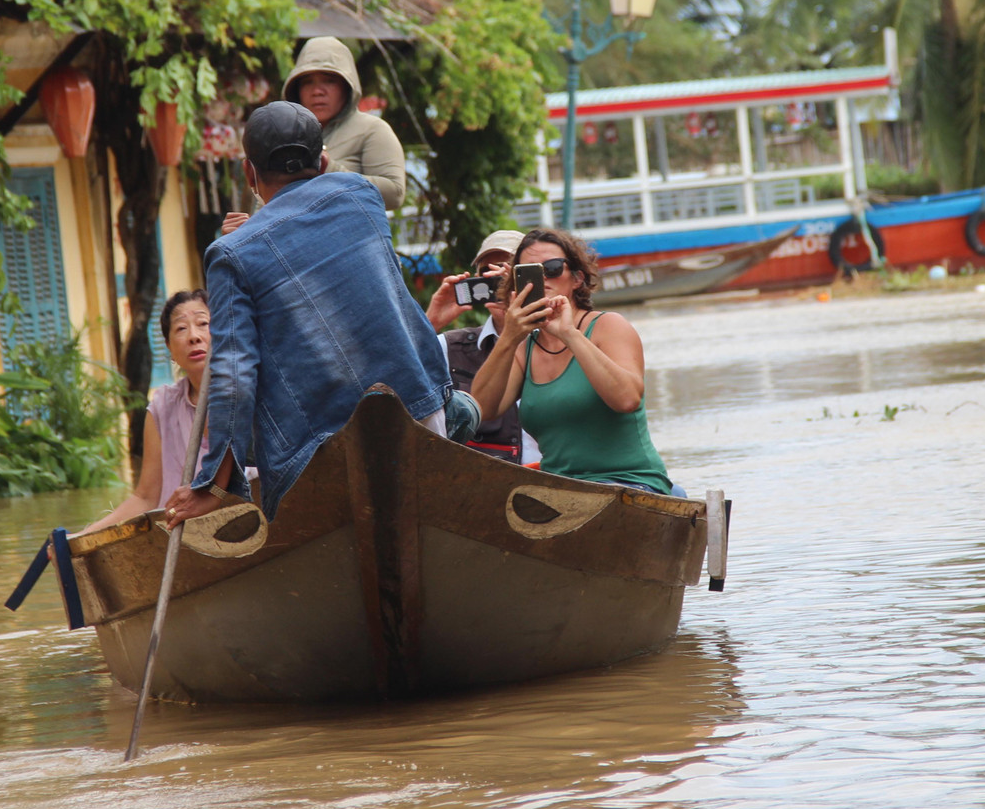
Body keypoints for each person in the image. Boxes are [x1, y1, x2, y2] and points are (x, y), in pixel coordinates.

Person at [164, 101, 473, 528]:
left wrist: (214, 485)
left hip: (314, 445)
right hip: (416, 410)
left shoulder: (230, 254)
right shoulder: (362, 195)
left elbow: (234, 372)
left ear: (248, 174)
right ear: (323, 160)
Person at [469, 227, 675, 495]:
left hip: (628, 482)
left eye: (552, 268)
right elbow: (483, 409)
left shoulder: (609, 326)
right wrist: (508, 336)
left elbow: (627, 399)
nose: (542, 278)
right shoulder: (524, 346)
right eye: (529, 271)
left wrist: (568, 334)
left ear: (577, 278)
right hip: (560, 488)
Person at [81, 290, 212, 533]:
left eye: (203, 323)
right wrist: (83, 536)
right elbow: (145, 498)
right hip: (183, 535)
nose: (194, 336)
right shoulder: (163, 406)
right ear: (170, 349)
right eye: (181, 329)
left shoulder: (245, 392)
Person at [426, 229, 540, 466]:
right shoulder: (451, 346)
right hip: (484, 484)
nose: (496, 281)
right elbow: (391, 388)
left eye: (507, 270)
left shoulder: (562, 341)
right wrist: (429, 323)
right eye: (486, 272)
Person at [282, 36, 407, 210]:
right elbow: (269, 202)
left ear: (346, 86)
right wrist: (247, 228)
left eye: (329, 80)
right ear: (296, 89)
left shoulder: (372, 130)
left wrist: (329, 169)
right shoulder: (286, 136)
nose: (317, 91)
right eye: (307, 82)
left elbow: (395, 194)